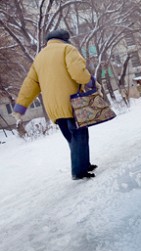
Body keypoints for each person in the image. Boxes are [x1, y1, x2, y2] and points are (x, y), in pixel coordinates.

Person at [12, 29, 98, 180]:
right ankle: (79, 171)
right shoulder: (67, 49)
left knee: (73, 136)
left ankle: (84, 163)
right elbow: (78, 72)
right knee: (79, 135)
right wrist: (91, 82)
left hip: (53, 108)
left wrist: (21, 106)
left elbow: (30, 84)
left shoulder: (40, 57)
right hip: (71, 102)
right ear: (65, 39)